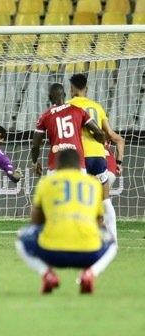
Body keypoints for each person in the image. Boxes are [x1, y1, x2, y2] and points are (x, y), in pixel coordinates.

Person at [15, 149, 118, 294]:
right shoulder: (93, 184)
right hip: (88, 252)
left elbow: (35, 221)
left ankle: (47, 274)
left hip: (51, 252)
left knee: (21, 237)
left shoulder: (46, 182)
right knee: (112, 243)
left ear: (57, 164)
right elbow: (99, 222)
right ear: (80, 164)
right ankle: (90, 274)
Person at [67, 73, 125, 242]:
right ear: (86, 88)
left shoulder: (68, 106)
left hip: (79, 157)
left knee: (77, 199)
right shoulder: (97, 106)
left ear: (71, 88)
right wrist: (119, 161)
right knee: (106, 201)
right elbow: (110, 134)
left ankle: (78, 238)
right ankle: (113, 240)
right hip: (99, 156)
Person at [30, 83, 105, 176]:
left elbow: (35, 146)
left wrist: (34, 162)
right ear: (65, 95)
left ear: (49, 97)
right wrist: (103, 143)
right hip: (77, 165)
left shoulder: (44, 117)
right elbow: (99, 132)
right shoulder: (79, 111)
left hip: (56, 166)